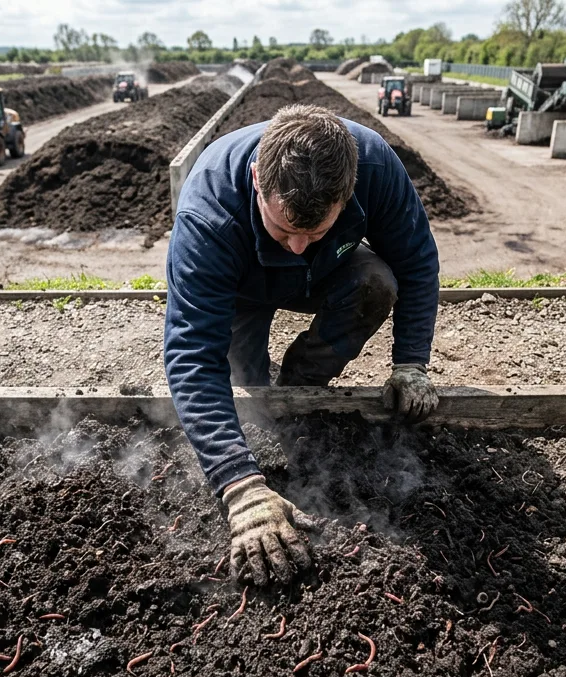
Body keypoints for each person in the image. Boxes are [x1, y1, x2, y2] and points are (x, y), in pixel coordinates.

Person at [164, 104, 441, 586]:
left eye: (314, 230)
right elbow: (192, 353)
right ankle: (262, 419)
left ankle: (299, 388)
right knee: (245, 389)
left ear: (348, 193)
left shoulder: (375, 166)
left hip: (330, 271)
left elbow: (417, 262)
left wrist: (411, 363)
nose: (295, 245)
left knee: (376, 282)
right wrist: (241, 488)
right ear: (256, 178)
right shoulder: (207, 213)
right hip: (241, 287)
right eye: (283, 229)